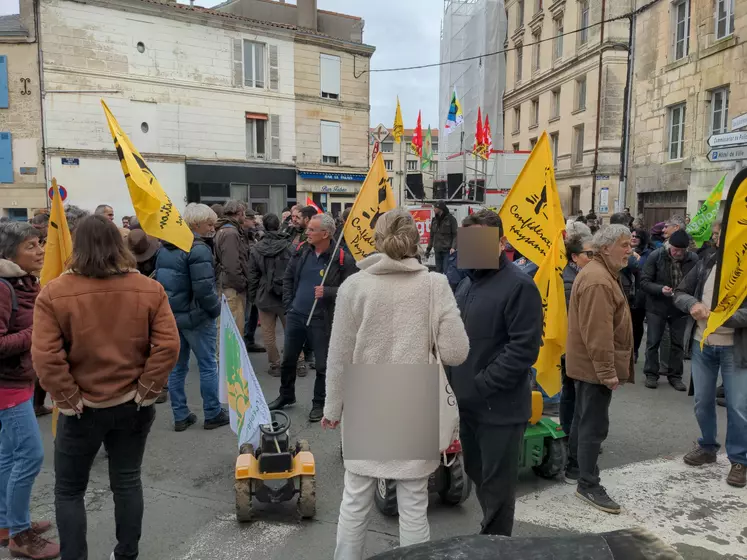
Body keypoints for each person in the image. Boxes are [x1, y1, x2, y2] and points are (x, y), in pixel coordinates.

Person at [322, 209, 469, 558]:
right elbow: (456, 352)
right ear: (417, 241)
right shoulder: (434, 285)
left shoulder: (353, 286)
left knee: (355, 498)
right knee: (414, 502)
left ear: (376, 239)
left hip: (368, 396)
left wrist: (332, 407)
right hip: (412, 395)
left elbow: (339, 355)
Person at [32, 215, 179, 560]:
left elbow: (45, 356)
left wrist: (66, 396)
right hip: (133, 403)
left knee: (69, 490)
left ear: (77, 247)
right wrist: (147, 388)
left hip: (80, 408)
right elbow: (169, 346)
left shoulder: (54, 292)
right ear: (120, 244)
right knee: (127, 482)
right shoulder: (148, 288)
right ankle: (126, 555)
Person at [449, 209, 543, 536]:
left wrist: (482, 384)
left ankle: (495, 546)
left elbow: (524, 349)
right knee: (477, 472)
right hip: (468, 405)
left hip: (500, 408)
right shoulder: (465, 284)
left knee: (498, 488)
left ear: (501, 242)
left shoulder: (520, 286)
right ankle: (489, 535)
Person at [565, 225, 634, 514]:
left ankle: (576, 468)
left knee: (583, 420)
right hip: (593, 368)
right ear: (606, 248)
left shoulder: (600, 273)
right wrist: (607, 372)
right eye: (624, 245)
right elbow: (598, 333)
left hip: (588, 365)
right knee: (593, 426)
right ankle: (588, 484)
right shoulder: (598, 280)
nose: (630, 250)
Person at [0, 222, 58, 559]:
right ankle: (20, 536)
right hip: (7, 386)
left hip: (18, 381)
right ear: (10, 253)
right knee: (30, 455)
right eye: (32, 245)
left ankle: (8, 523)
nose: (40, 251)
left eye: (40, 244)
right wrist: (37, 331)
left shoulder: (20, 281)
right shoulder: (4, 288)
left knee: (8, 456)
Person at [268, 213, 357, 422]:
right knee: (288, 360)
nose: (306, 232)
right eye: (308, 229)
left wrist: (328, 292)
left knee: (323, 365)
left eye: (311, 229)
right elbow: (288, 278)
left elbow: (352, 290)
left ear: (325, 234)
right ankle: (286, 395)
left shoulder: (342, 258)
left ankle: (319, 403)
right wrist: (289, 306)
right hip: (296, 316)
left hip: (321, 319)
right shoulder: (301, 251)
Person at [674, 235, 747, 488]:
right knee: (701, 401)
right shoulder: (708, 261)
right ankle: (707, 446)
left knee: (738, 407)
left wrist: (722, 318)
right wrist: (692, 304)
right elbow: (680, 292)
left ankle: (739, 460)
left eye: (721, 234)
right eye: (716, 235)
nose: (716, 240)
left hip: (734, 349)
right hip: (701, 343)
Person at [155, 203, 229, 432]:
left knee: (177, 368)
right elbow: (205, 289)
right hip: (196, 317)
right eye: (209, 224)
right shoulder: (197, 249)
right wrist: (216, 310)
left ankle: (180, 415)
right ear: (196, 224)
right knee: (208, 365)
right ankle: (212, 412)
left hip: (173, 314)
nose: (212, 228)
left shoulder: (165, 247)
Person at [640, 230, 698, 390]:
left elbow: (697, 283)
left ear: (687, 249)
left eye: (681, 250)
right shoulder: (656, 256)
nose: (677, 253)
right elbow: (644, 281)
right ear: (669, 246)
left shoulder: (693, 259)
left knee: (678, 344)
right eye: (675, 249)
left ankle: (675, 376)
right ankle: (651, 374)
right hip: (656, 306)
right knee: (653, 342)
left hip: (680, 308)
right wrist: (660, 289)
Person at [247, 213, 295, 377]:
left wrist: (252, 297)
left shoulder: (256, 248)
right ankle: (299, 361)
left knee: (268, 333)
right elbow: (295, 271)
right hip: (286, 294)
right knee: (292, 330)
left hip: (264, 294)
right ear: (278, 225)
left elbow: (252, 275)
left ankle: (275, 364)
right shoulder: (289, 246)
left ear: (264, 227)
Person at [559, 233, 594, 441]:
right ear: (574, 257)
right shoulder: (570, 282)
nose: (594, 257)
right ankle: (573, 435)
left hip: (578, 347)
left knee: (574, 393)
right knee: (576, 394)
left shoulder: (582, 277)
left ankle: (571, 433)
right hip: (576, 348)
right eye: (589, 254)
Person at [213, 200, 250, 338]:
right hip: (232, 288)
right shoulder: (231, 233)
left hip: (226, 284)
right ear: (239, 213)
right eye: (244, 213)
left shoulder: (224, 229)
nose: (245, 216)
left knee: (225, 327)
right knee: (233, 328)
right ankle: (229, 360)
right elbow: (232, 264)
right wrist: (241, 284)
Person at [630, 228, 654, 361]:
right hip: (627, 293)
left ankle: (634, 350)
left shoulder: (648, 254)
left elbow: (645, 272)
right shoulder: (624, 250)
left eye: (637, 236)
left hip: (640, 294)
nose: (633, 238)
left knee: (637, 324)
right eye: (632, 235)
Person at [424, 201, 458, 273]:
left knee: (446, 271)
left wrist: (453, 247)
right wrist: (428, 250)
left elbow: (456, 234)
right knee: (438, 272)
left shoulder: (451, 219)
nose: (434, 209)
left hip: (447, 250)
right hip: (437, 250)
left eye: (435, 208)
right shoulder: (434, 220)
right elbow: (432, 236)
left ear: (441, 209)